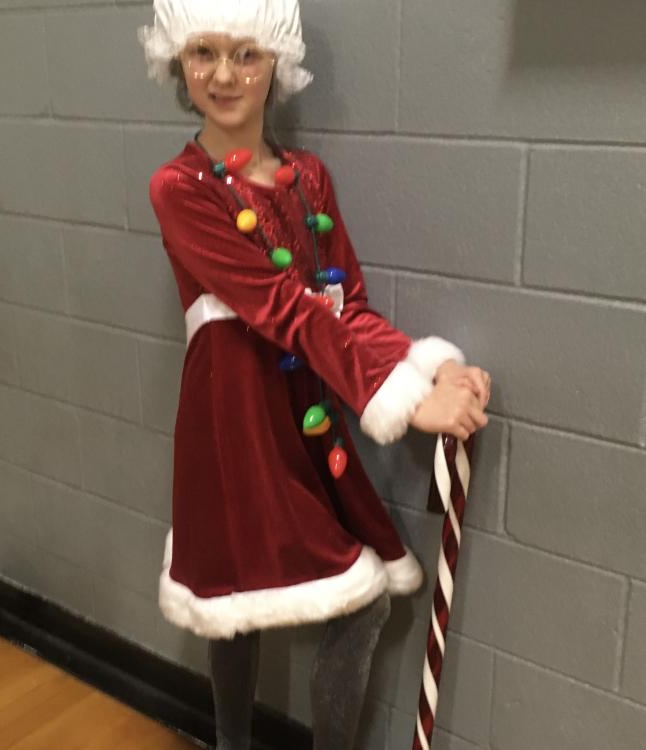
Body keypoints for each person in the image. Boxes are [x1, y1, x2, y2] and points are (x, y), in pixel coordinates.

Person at [138, 2, 490, 748]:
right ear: (177, 61)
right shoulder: (180, 188)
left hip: (304, 409)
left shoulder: (309, 180)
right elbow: (281, 307)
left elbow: (342, 303)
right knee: (235, 600)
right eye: (204, 52)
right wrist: (402, 399)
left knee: (353, 603)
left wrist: (427, 370)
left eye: (246, 55)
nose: (225, 74)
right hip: (232, 419)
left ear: (276, 65)